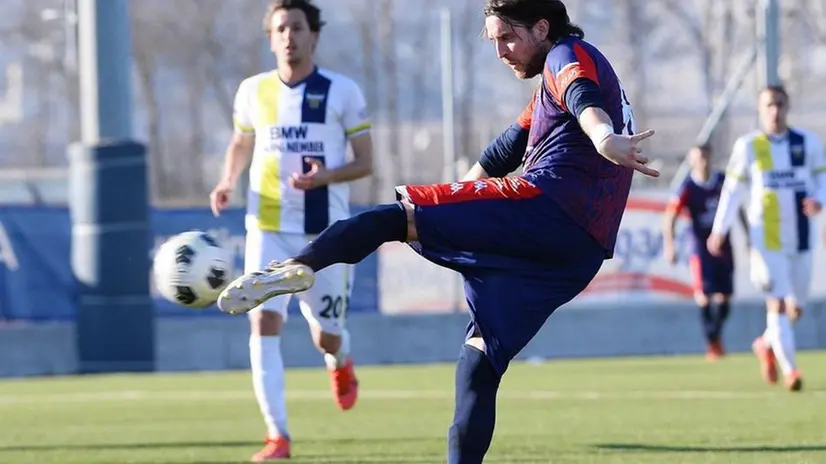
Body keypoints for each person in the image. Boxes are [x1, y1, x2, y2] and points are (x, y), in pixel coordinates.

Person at [218, 0, 657, 462]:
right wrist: (463, 196)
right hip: (577, 255)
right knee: (479, 361)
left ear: (542, 27)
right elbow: (508, 145)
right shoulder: (555, 75)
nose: (501, 52)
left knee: (397, 217)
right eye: (493, 41)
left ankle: (298, 265)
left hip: (544, 208)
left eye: (507, 38)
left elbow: (582, 98)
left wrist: (604, 138)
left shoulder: (564, 56)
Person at [209, 0, 374, 460]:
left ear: (313, 35)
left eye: (297, 27)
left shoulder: (342, 91)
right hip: (267, 226)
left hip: (325, 235)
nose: (289, 36)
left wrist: (325, 176)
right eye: (280, 28)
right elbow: (241, 142)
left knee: (326, 336)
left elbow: (366, 162)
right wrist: (227, 180)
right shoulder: (252, 91)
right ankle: (277, 436)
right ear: (271, 38)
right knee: (262, 320)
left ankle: (340, 361)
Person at [708, 85, 826, 392]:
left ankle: (765, 344)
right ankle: (792, 371)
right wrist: (719, 229)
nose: (775, 110)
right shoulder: (748, 146)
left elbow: (822, 180)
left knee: (795, 308)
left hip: (801, 239)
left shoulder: (807, 143)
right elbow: (732, 192)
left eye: (780, 105)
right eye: (769, 105)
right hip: (765, 241)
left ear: (788, 107)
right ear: (760, 109)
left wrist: (819, 201)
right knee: (776, 303)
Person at [663, 145, 747, 360]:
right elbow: (670, 216)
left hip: (723, 247)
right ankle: (712, 343)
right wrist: (670, 245)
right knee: (703, 296)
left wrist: (748, 235)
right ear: (692, 161)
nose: (703, 162)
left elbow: (737, 207)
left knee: (725, 297)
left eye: (705, 157)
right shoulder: (688, 186)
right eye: (698, 158)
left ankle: (715, 336)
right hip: (700, 249)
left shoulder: (722, 181)